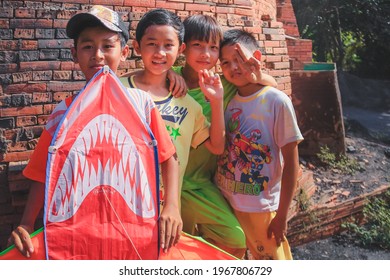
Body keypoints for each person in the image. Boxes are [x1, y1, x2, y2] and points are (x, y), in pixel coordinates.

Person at [8, 5, 181, 258]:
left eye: (107, 46)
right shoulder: (63, 112)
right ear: (74, 54)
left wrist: (173, 206)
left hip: (134, 236)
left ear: (123, 53)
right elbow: (42, 171)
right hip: (76, 241)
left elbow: (168, 157)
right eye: (88, 46)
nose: (98, 55)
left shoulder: (141, 104)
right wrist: (26, 221)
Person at [172, 14, 278, 258]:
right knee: (175, 246)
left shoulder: (224, 84)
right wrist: (169, 74)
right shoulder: (169, 79)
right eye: (198, 45)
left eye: (212, 48)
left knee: (234, 239)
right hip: (169, 183)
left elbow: (270, 86)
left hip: (202, 183)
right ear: (183, 47)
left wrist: (258, 75)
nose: (205, 54)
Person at [121, 8, 225, 212]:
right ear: (137, 47)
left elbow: (217, 147)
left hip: (167, 207)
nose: (160, 53)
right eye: (152, 44)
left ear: (180, 49)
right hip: (122, 202)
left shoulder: (189, 104)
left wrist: (217, 101)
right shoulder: (118, 90)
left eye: (168, 45)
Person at [215, 29, 304, 260]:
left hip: (260, 207)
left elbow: (292, 164)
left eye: (239, 60)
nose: (233, 67)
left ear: (256, 57)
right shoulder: (227, 98)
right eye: (225, 62)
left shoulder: (276, 101)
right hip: (225, 200)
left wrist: (282, 215)